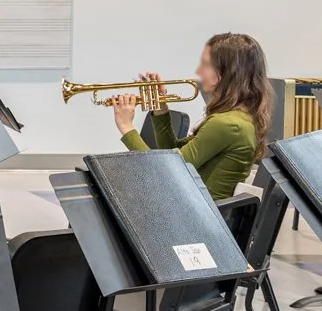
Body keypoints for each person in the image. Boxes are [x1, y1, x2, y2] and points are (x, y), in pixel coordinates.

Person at [112, 32, 270, 201]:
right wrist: (160, 111)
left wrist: (126, 127)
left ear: (225, 72)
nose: (198, 71)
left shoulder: (228, 124)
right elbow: (171, 156)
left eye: (205, 64)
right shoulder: (237, 117)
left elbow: (165, 173)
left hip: (197, 212)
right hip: (194, 203)